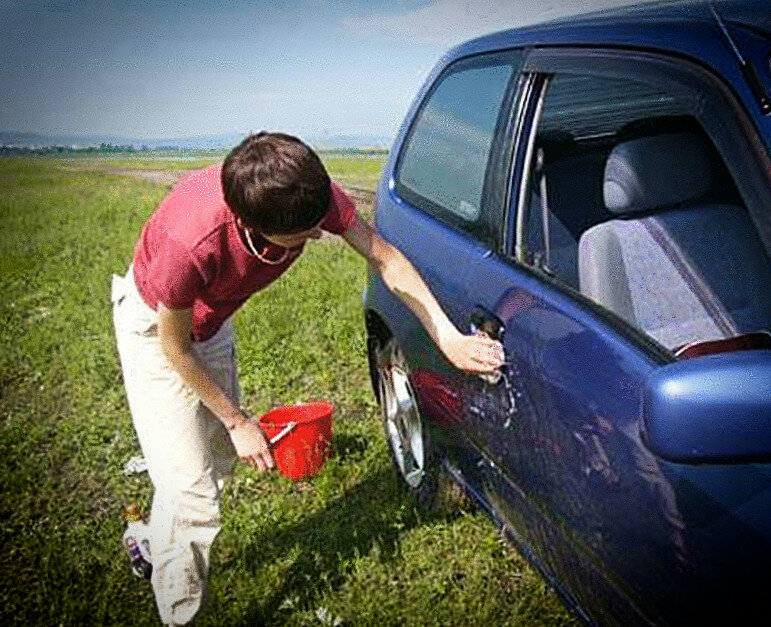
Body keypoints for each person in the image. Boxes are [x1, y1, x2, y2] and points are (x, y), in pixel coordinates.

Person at [111, 131, 504, 626]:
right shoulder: (187, 243)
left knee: (211, 466)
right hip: (157, 330)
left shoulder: (300, 191)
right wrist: (235, 420)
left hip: (210, 325)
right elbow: (174, 347)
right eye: (302, 235)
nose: (319, 236)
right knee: (192, 493)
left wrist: (448, 338)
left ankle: (150, 540)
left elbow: (386, 258)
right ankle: (180, 615)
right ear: (247, 223)